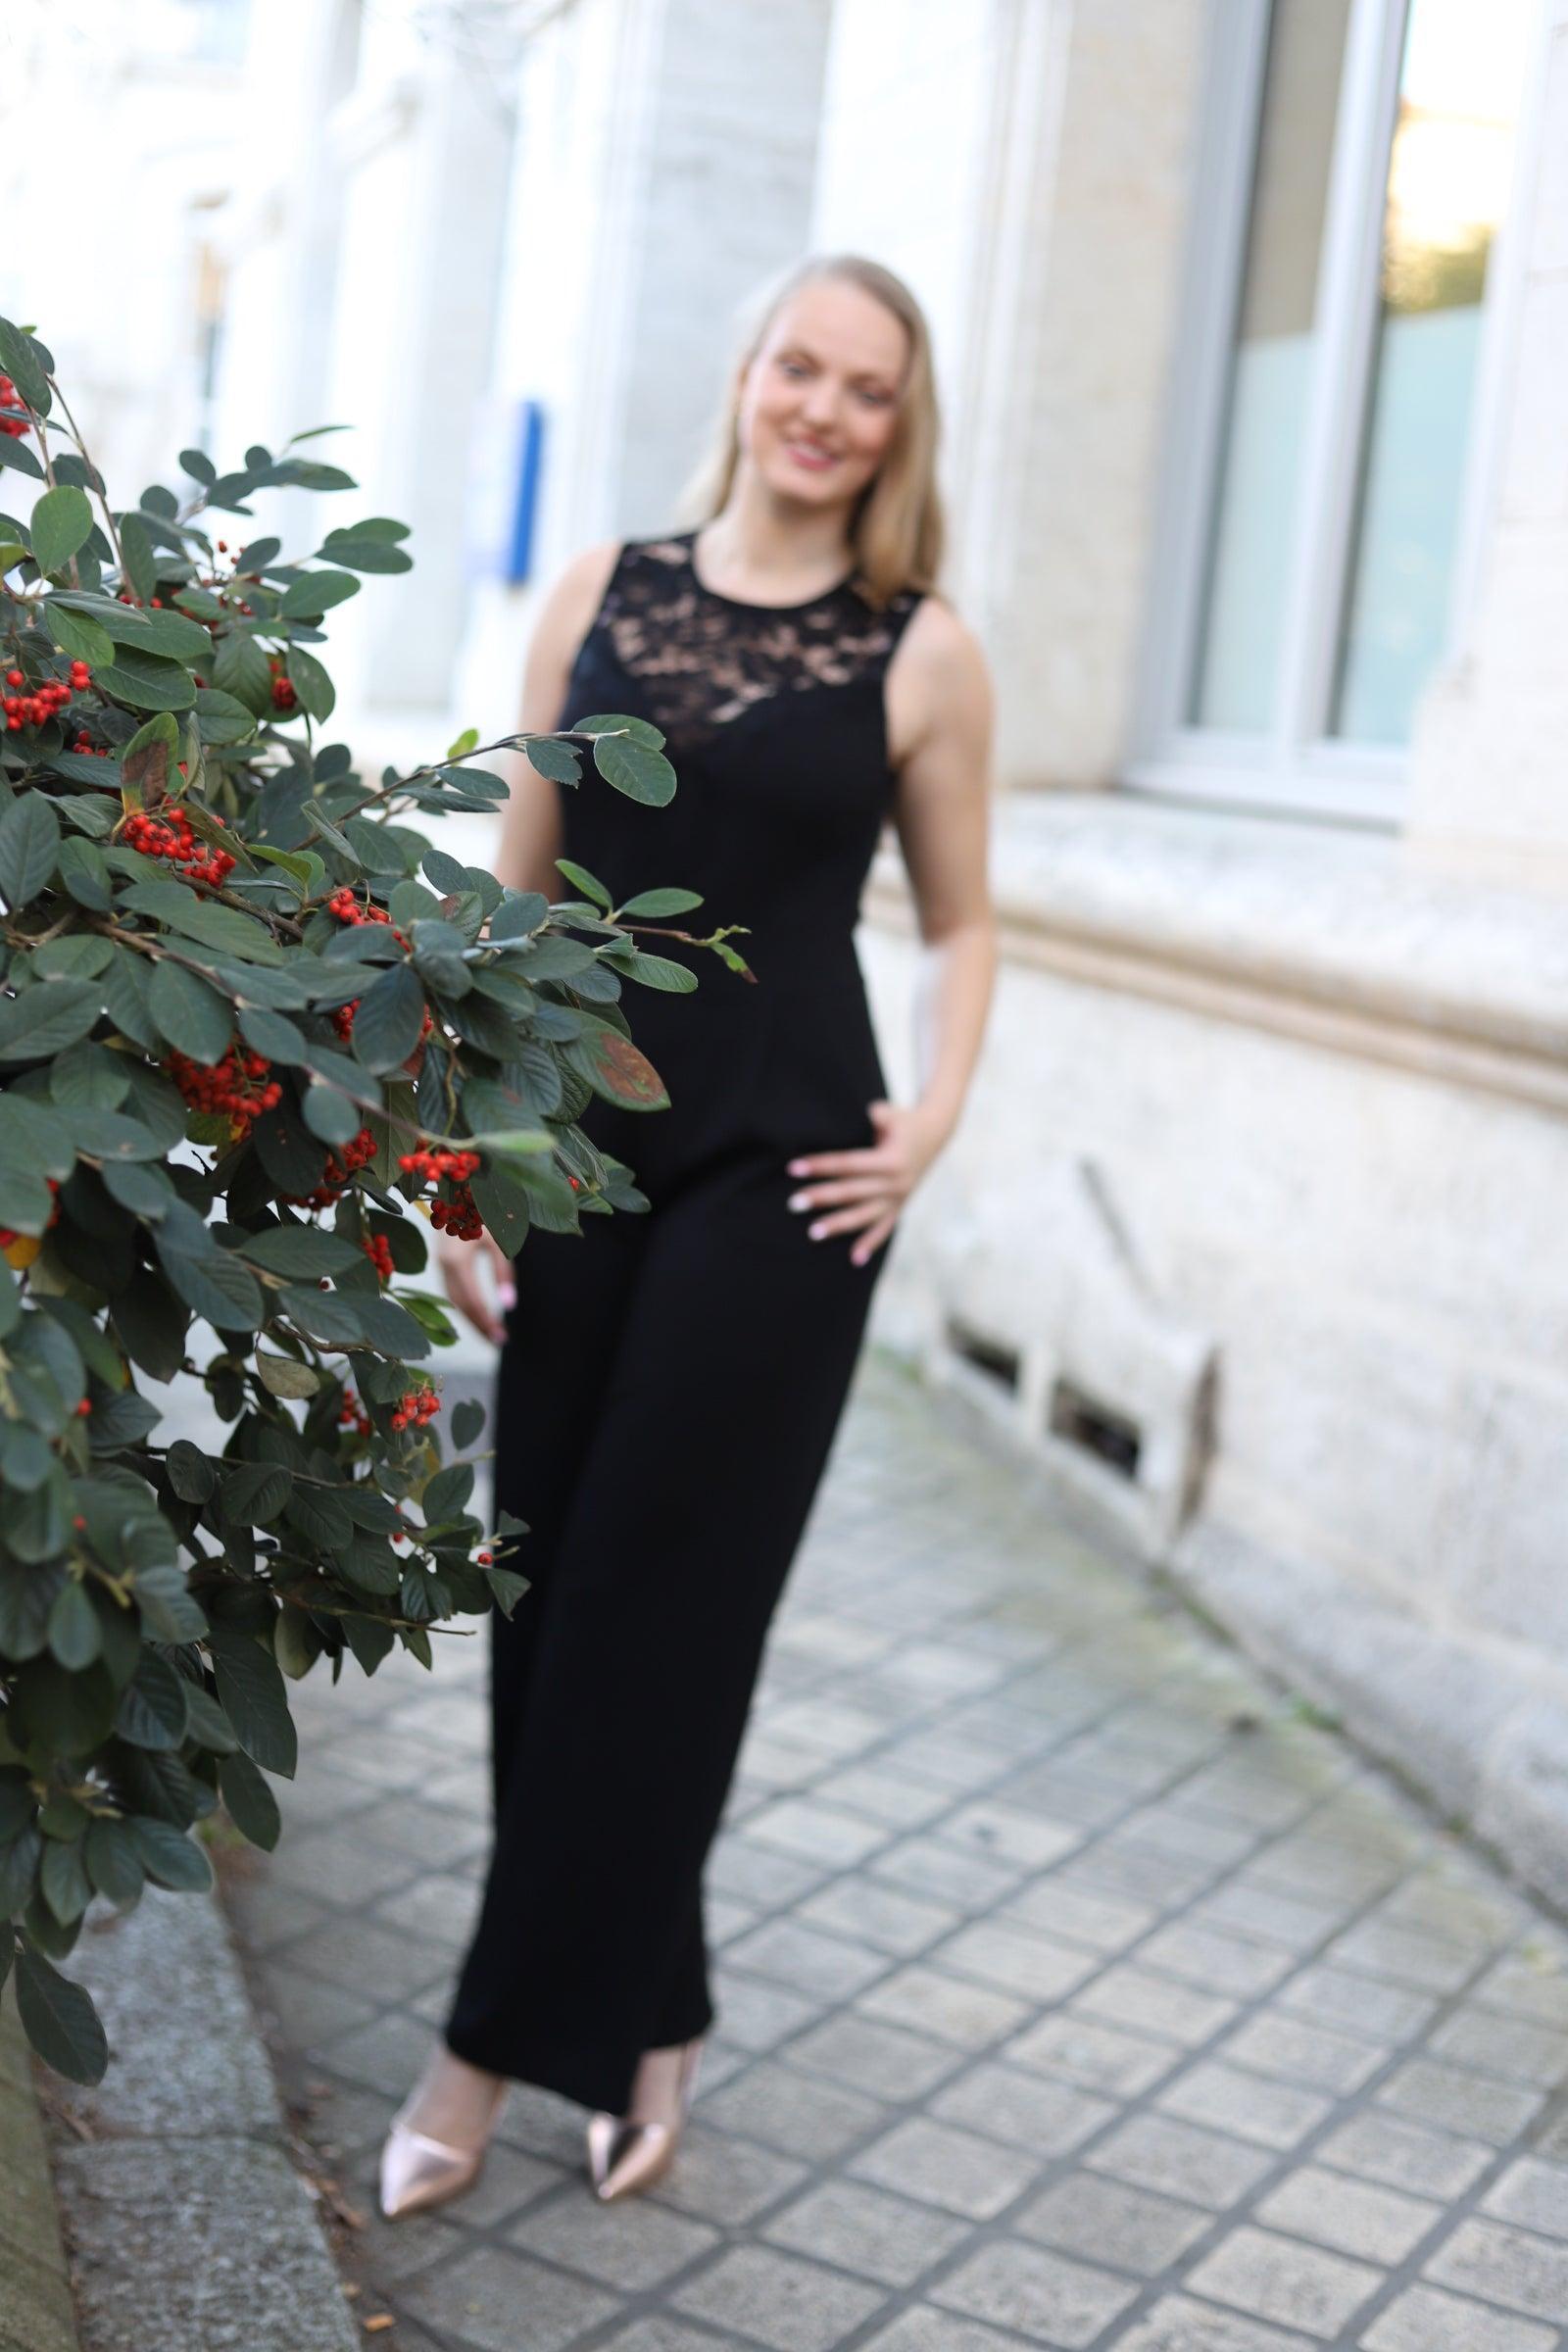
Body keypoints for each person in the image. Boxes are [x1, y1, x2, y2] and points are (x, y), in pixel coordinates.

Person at [379, 253, 997, 2216]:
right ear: (745, 374)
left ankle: (481, 2052)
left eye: (869, 389)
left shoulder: (921, 652)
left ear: (899, 427)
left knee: (664, 1602)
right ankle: (656, 2009)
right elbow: (517, 900)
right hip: (577, 1154)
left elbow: (965, 921)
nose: (825, 410)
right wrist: (467, 1148)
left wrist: (931, 1126)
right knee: (554, 1586)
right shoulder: (596, 593)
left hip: (786, 1180)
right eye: (801, 367)